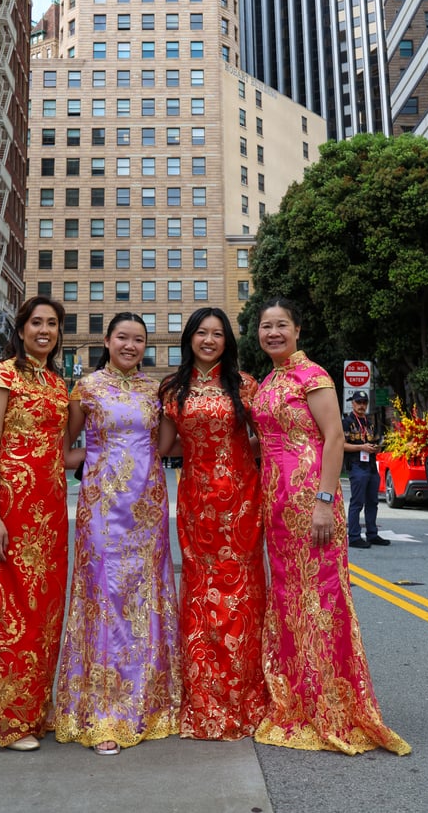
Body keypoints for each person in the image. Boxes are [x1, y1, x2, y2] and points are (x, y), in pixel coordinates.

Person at [251, 297, 410, 755]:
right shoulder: (269, 381)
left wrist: (324, 502)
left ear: (298, 330)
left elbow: (335, 438)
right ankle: (296, 697)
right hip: (276, 504)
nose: (273, 333)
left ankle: (331, 703)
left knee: (320, 598)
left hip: (309, 500)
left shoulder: (312, 375)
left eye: (282, 325)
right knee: (288, 599)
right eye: (266, 326)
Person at [55, 312, 180, 756]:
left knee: (145, 599)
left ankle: (151, 703)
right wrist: (96, 460)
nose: (130, 345)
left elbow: (166, 446)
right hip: (102, 512)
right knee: (104, 600)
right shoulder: (86, 388)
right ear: (106, 341)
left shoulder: (157, 390)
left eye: (138, 339)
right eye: (122, 337)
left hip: (148, 507)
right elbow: (66, 449)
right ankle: (104, 712)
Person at [159, 307, 266, 740]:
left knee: (242, 592)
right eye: (201, 333)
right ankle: (204, 695)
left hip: (242, 500)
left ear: (228, 341)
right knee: (202, 592)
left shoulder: (244, 385)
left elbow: (267, 435)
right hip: (197, 502)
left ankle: (244, 695)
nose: (208, 340)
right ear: (189, 338)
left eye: (217, 334)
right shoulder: (172, 388)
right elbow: (163, 446)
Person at [0, 296, 74, 752]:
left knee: (47, 612)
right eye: (36, 322)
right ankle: (10, 721)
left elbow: (66, 451)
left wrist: (120, 455)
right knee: (17, 610)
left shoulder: (59, 384)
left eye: (52, 324)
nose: (44, 330)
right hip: (14, 510)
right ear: (20, 329)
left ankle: (38, 707)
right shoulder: (2, 375)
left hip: (53, 512)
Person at [342, 391, 390, 549]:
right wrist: (361, 447)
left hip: (370, 465)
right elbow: (341, 445)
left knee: (373, 502)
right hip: (356, 465)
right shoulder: (347, 422)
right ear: (353, 403)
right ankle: (354, 536)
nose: (362, 405)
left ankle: (372, 534)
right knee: (357, 502)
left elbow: (376, 441)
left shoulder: (370, 423)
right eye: (359, 402)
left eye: (364, 402)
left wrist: (376, 448)